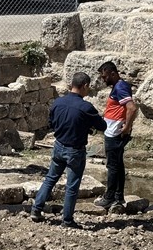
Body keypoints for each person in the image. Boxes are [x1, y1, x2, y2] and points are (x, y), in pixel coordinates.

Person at [31, 72, 105, 228]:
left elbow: (52, 123)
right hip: (75, 150)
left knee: (50, 178)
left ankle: (36, 209)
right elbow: (102, 126)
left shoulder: (58, 102)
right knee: (72, 185)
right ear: (85, 85)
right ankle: (67, 220)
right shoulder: (86, 107)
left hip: (58, 146)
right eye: (88, 87)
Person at [95, 60, 137, 214]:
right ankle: (119, 197)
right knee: (118, 164)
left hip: (114, 134)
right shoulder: (119, 86)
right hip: (113, 131)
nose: (103, 79)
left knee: (112, 166)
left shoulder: (120, 87)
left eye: (105, 76)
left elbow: (132, 108)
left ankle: (110, 197)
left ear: (113, 73)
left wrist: (126, 127)